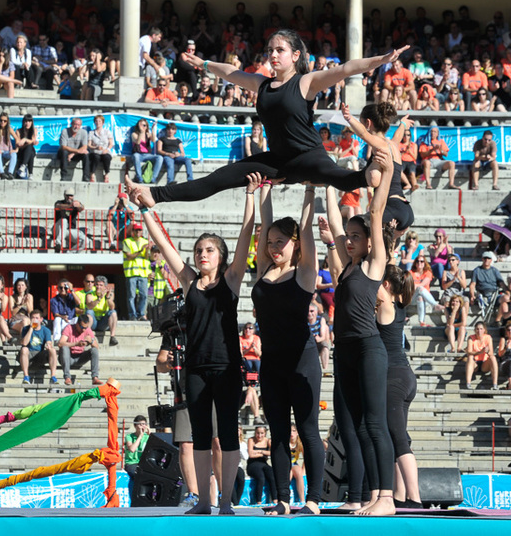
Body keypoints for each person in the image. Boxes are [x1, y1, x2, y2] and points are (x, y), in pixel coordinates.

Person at [125, 30, 402, 208]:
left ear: (295, 55)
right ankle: (154, 195)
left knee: (336, 176)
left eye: (280, 50)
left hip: (308, 156)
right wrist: (203, 64)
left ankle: (367, 175)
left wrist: (381, 59)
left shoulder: (307, 82)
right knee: (217, 179)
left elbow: (346, 68)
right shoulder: (263, 84)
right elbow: (231, 73)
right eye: (271, 50)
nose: (273, 54)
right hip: (277, 161)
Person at [136, 171, 255, 516]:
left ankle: (227, 502)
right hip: (196, 368)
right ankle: (205, 500)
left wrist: (250, 195)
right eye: (199, 250)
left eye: (209, 250)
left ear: (220, 256)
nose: (203, 255)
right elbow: (164, 246)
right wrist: (145, 209)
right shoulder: (189, 282)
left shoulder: (230, 281)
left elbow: (246, 235)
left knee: (228, 436)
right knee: (201, 437)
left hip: (227, 367)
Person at [319, 150, 395, 516]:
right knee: (360, 427)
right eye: (347, 237)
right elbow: (334, 225)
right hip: (344, 350)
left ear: (368, 241)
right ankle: (369, 494)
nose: (348, 241)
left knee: (375, 424)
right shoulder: (346, 270)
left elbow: (376, 214)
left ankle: (387, 498)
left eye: (355, 237)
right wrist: (329, 185)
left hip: (368, 348)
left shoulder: (372, 265)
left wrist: (388, 170)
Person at [250, 181, 324, 515]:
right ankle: (281, 498)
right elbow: (265, 223)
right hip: (271, 364)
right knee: (278, 432)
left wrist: (310, 193)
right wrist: (262, 187)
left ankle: (314, 499)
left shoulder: (305, 272)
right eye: (270, 243)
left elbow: (306, 228)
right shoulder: (264, 269)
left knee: (307, 431)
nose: (274, 247)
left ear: (294, 244)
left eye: (281, 242)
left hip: (302, 362)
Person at [340, 103, 414, 232]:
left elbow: (363, 134)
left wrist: (349, 118)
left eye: (362, 123)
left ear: (368, 123)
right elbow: (397, 136)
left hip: (391, 207)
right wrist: (402, 124)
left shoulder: (379, 143)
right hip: (404, 208)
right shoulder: (392, 145)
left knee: (355, 225)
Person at [58, 314, 101, 385]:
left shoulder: (87, 330)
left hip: (80, 357)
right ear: (77, 324)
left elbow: (96, 347)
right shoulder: (69, 328)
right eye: (81, 327)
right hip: (68, 357)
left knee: (94, 350)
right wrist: (76, 344)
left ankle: (95, 377)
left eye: (85, 327)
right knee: (64, 348)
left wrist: (91, 341)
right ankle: (67, 377)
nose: (83, 330)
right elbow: (60, 343)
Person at [19, 308, 58, 384]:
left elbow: (49, 342)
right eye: (33, 318)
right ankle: (26, 376)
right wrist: (31, 328)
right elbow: (24, 343)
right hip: (28, 354)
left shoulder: (46, 330)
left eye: (37, 318)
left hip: (39, 354)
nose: (35, 320)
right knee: (24, 349)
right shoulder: (25, 329)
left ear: (41, 319)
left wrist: (48, 345)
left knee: (52, 350)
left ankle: (53, 376)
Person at [122, 222, 150, 320]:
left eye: (139, 230)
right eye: (136, 230)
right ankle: (132, 315)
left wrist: (147, 250)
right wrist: (140, 251)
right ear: (133, 231)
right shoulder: (127, 241)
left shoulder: (145, 241)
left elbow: (147, 257)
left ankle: (141, 314)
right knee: (131, 296)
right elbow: (129, 256)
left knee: (144, 295)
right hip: (131, 273)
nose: (138, 232)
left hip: (142, 274)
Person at [246, 426, 277, 506]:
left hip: (263, 464)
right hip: (252, 464)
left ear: (265, 433)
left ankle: (275, 500)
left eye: (262, 433)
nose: (259, 435)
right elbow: (251, 455)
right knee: (261, 478)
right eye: (257, 433)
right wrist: (264, 453)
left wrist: (259, 452)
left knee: (272, 475)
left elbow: (273, 452)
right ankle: (258, 501)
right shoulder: (251, 440)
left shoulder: (267, 441)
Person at [464, 320, 499, 390]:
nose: (479, 331)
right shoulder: (471, 338)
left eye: (481, 329)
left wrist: (487, 351)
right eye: (477, 329)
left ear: (484, 330)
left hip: (484, 363)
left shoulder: (488, 337)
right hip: (475, 363)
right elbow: (469, 352)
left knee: (493, 358)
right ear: (475, 330)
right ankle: (468, 383)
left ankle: (495, 384)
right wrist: (479, 352)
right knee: (470, 357)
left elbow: (491, 353)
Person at [57, 117, 90, 182]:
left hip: (75, 154)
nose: (76, 127)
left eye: (78, 125)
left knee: (86, 154)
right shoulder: (65, 131)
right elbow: (64, 146)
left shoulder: (84, 132)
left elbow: (85, 146)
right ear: (71, 124)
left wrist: (73, 154)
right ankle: (64, 176)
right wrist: (77, 151)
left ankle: (86, 177)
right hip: (65, 153)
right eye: (75, 124)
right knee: (64, 152)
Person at [0, 112, 18, 180]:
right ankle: (2, 173)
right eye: (1, 120)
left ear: (7, 122)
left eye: (5, 121)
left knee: (14, 154)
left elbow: (17, 138)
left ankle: (10, 173)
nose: (2, 122)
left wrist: (16, 149)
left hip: (6, 151)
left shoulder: (9, 129)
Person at [124, 415, 150, 484]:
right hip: (131, 463)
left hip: (144, 462)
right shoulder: (129, 436)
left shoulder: (147, 437)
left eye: (144, 424)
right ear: (135, 426)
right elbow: (132, 449)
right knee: (138, 474)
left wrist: (151, 435)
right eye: (140, 424)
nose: (142, 426)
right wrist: (140, 437)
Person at [49, 279, 78, 343]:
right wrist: (63, 317)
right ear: (57, 289)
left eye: (65, 288)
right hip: (62, 322)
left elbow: (78, 302)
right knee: (57, 319)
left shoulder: (71, 297)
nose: (63, 289)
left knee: (77, 319)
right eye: (61, 287)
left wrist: (72, 290)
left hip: (71, 320)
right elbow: (55, 314)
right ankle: (57, 340)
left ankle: (74, 339)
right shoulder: (54, 300)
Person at [87, 114, 113, 183]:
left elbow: (111, 144)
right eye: (96, 121)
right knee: (96, 157)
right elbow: (89, 145)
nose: (98, 122)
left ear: (103, 123)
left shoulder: (107, 132)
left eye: (99, 121)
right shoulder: (91, 132)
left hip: (105, 151)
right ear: (94, 122)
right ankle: (92, 174)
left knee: (106, 157)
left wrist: (107, 150)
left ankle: (106, 174)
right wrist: (95, 147)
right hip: (95, 151)